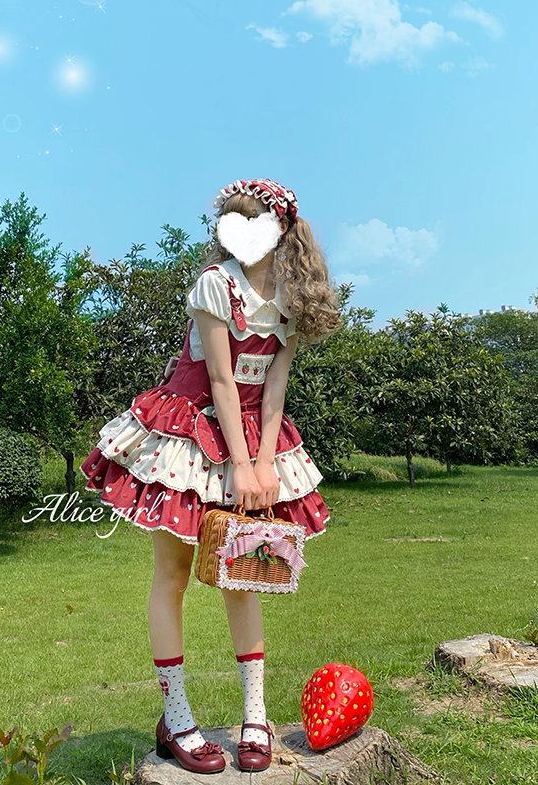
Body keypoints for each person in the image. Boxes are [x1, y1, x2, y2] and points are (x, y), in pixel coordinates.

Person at [80, 178, 343, 774]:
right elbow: (222, 381)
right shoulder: (214, 285)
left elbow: (274, 388)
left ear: (282, 230)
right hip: (190, 435)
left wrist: (266, 464)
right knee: (173, 575)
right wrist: (241, 466)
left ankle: (256, 716)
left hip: (251, 437)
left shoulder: (292, 297)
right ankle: (176, 719)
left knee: (243, 575)